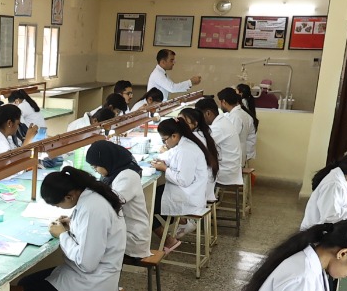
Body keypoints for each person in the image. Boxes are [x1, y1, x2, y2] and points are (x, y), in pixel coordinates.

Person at [13, 168, 124, 291]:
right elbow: (93, 237)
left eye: (58, 204)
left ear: (70, 195)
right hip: (88, 275)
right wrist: (72, 225)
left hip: (92, 282)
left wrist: (62, 235)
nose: (58, 208)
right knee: (25, 285)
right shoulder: (90, 198)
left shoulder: (92, 208)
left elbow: (87, 262)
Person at [151, 116, 213, 249]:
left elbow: (184, 180)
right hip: (186, 192)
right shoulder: (183, 143)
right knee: (152, 195)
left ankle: (169, 240)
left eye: (164, 140)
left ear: (174, 136)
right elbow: (171, 155)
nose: (164, 143)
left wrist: (164, 168)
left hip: (188, 196)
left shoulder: (186, 150)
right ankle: (182, 222)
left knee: (145, 206)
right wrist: (160, 160)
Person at [87, 139, 151, 263]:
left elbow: (111, 202)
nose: (96, 170)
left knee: (89, 247)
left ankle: (105, 274)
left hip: (132, 238)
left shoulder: (128, 176)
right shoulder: (114, 172)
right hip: (122, 231)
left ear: (106, 161)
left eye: (96, 166)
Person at [196, 97, 244, 189]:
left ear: (208, 113)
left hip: (226, 171)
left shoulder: (218, 127)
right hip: (229, 167)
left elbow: (200, 144)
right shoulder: (222, 121)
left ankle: (204, 197)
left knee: (192, 172)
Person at [218, 87, 256, 166]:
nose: (220, 105)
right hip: (239, 155)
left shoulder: (235, 117)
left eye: (220, 103)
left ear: (223, 102)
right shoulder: (243, 114)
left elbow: (230, 138)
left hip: (234, 157)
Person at [235, 83, 260, 161]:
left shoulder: (242, 104)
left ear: (240, 93)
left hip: (245, 150)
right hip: (247, 148)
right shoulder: (248, 101)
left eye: (236, 91)